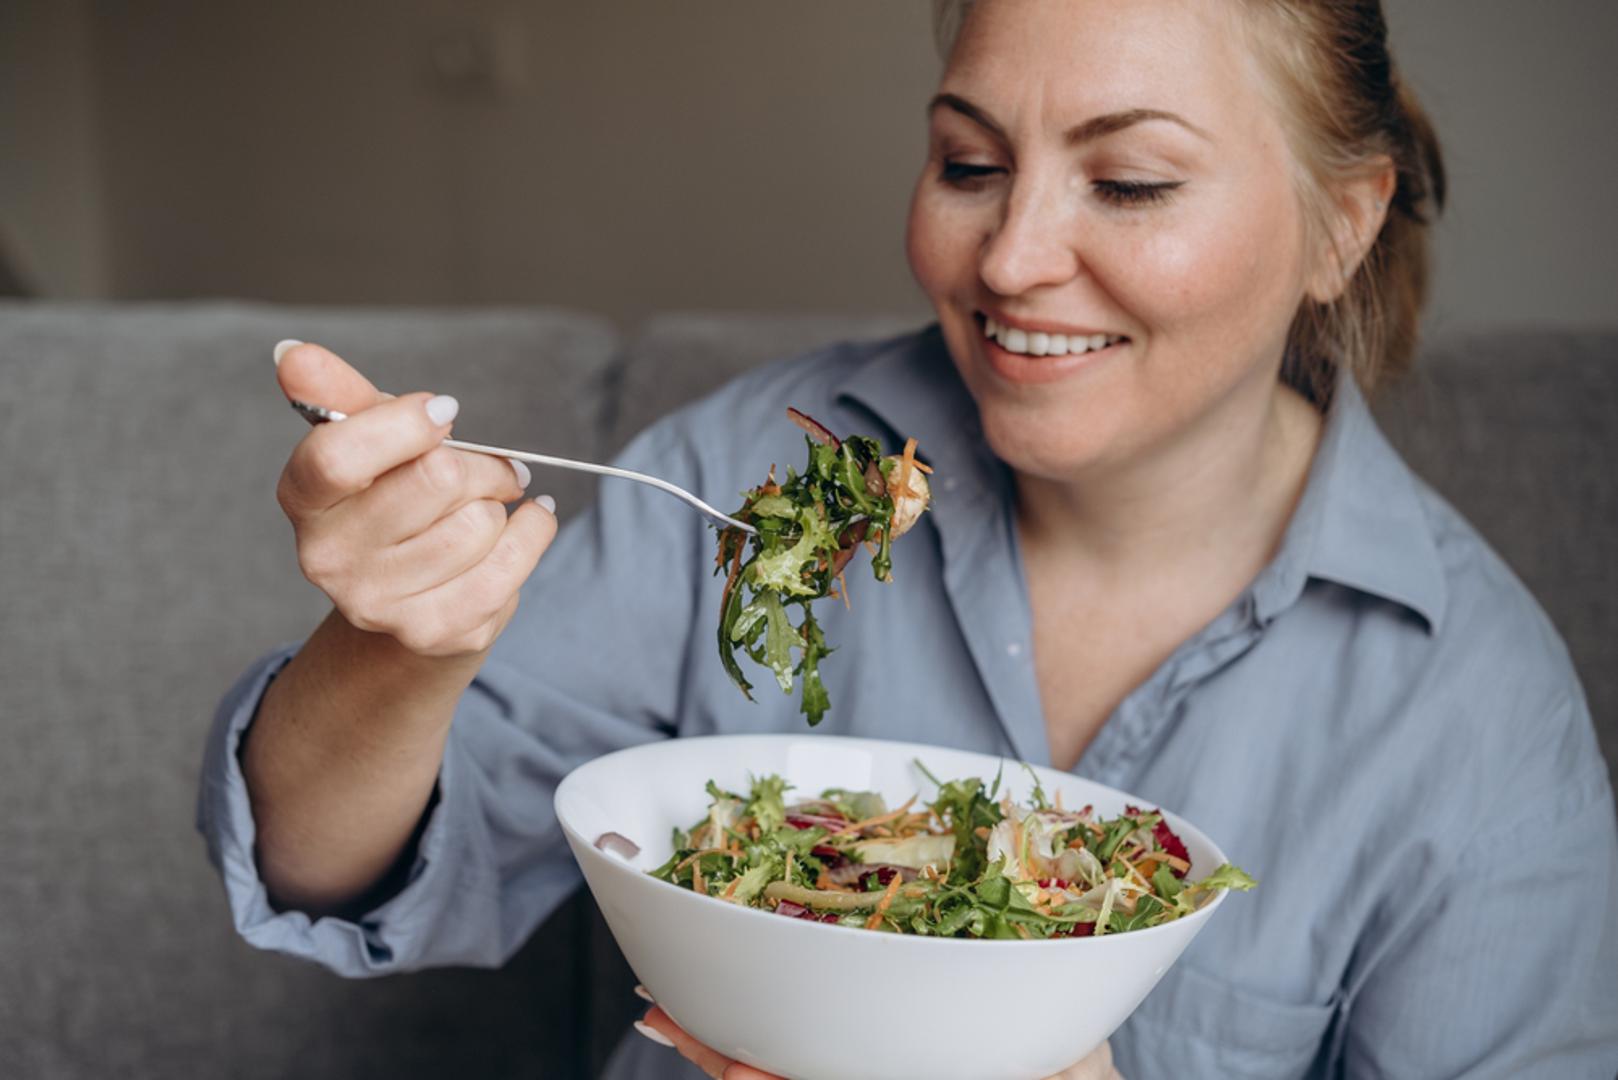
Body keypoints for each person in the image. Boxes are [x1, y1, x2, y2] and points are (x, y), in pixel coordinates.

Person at [199, 0, 1618, 1077]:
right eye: (968, 162)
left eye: (1128, 182)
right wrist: (394, 647)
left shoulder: (1472, 715)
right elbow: (342, 869)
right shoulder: (748, 473)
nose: (1009, 258)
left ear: (1341, 226)